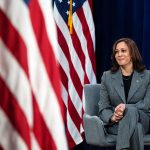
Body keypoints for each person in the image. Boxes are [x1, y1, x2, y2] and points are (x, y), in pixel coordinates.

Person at [98, 38, 150, 150]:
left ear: (132, 53)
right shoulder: (107, 77)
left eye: (123, 51)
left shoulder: (147, 76)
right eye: (116, 51)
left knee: (131, 111)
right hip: (117, 123)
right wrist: (112, 117)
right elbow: (103, 106)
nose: (119, 54)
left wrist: (125, 107)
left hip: (143, 119)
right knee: (136, 128)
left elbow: (147, 104)